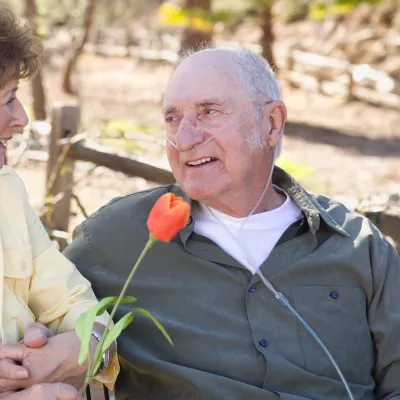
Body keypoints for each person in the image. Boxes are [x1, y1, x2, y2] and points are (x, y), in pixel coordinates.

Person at [65, 46, 400, 400]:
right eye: (172, 118)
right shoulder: (113, 239)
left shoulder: (359, 246)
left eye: (209, 112)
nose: (185, 139)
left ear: (271, 124)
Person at [0, 5, 118, 398]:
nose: (20, 119)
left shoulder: (7, 192)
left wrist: (74, 348)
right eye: (5, 100)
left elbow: (76, 303)